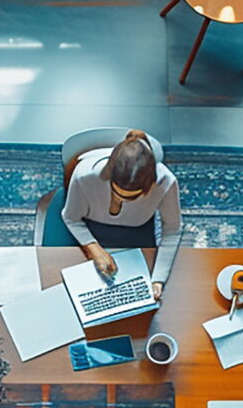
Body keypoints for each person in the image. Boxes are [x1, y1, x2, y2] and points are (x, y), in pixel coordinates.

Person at [60, 129, 182, 300]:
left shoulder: (165, 182)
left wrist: (158, 280)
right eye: (116, 192)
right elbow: (70, 217)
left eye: (132, 197)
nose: (121, 199)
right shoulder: (85, 175)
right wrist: (94, 250)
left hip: (138, 231)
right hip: (89, 230)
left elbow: (172, 231)